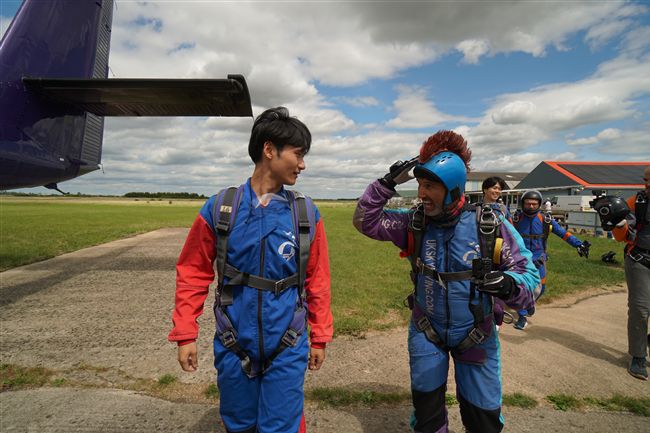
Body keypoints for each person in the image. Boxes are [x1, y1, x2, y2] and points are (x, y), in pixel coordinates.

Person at [353, 131, 539, 433]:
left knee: (484, 421)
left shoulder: (489, 225)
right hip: (427, 332)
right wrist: (386, 183)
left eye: (429, 186)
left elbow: (531, 280)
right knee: (428, 421)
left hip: (477, 335)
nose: (421, 194)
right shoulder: (414, 222)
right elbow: (365, 221)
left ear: (453, 188)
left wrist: (508, 284)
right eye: (419, 185)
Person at [168, 107, 333, 433]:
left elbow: (318, 279)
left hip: (288, 344)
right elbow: (193, 272)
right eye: (298, 154)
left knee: (281, 427)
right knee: (239, 425)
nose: (302, 164)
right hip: (233, 343)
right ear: (269, 150)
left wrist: (320, 337)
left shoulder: (305, 214)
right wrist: (185, 333)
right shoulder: (220, 209)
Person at [511, 190, 591, 330]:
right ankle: (522, 316)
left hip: (539, 259)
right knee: (521, 288)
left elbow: (563, 233)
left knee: (541, 288)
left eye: (534, 204)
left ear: (539, 204)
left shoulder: (546, 220)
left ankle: (529, 304)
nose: (531, 206)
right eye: (528, 203)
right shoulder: (516, 220)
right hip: (521, 259)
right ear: (522, 204)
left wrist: (578, 245)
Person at [610, 165, 650, 381]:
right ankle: (638, 355)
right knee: (640, 309)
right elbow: (620, 237)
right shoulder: (636, 202)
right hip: (640, 259)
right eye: (646, 181)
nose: (647, 185)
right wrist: (619, 224)